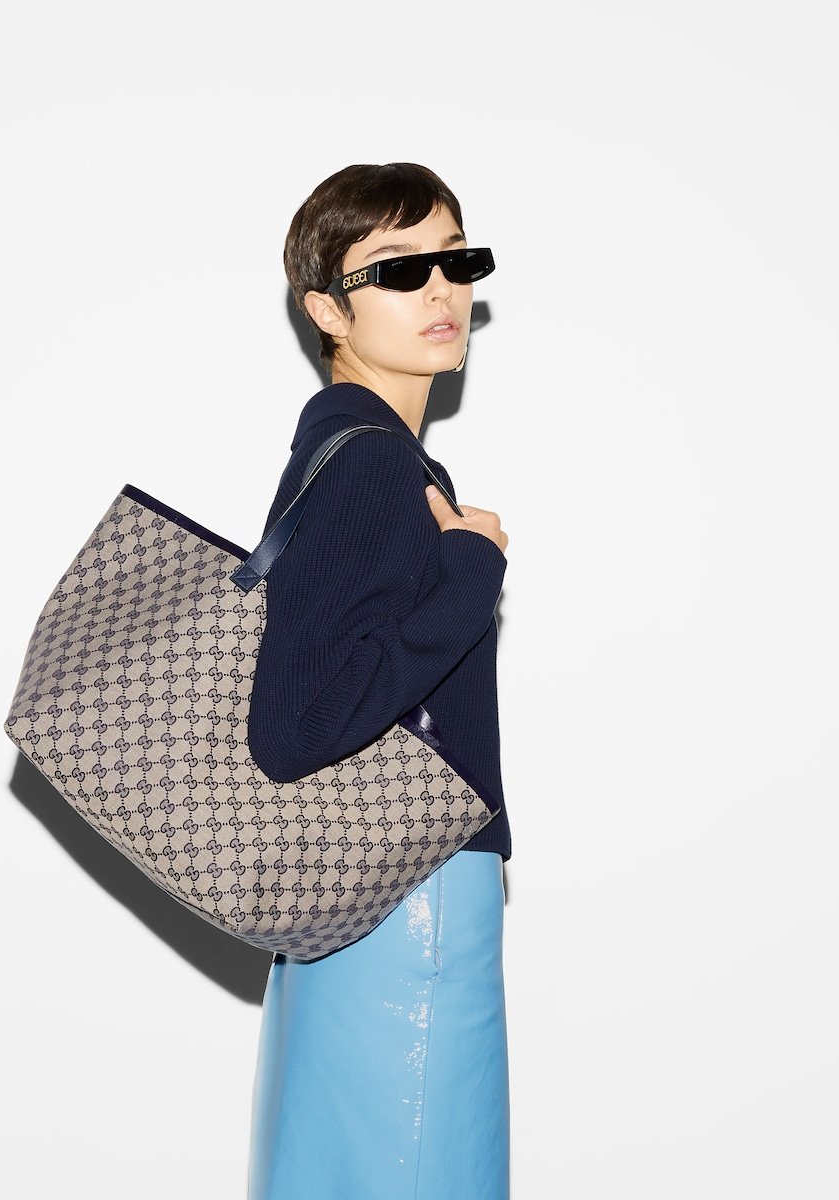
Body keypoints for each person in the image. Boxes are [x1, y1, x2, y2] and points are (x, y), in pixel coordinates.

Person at [245, 163, 512, 1200]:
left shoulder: (378, 460)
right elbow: (296, 725)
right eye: (399, 270)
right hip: (412, 898)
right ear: (327, 310)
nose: (442, 290)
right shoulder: (370, 465)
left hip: (364, 896)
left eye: (456, 261)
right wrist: (471, 576)